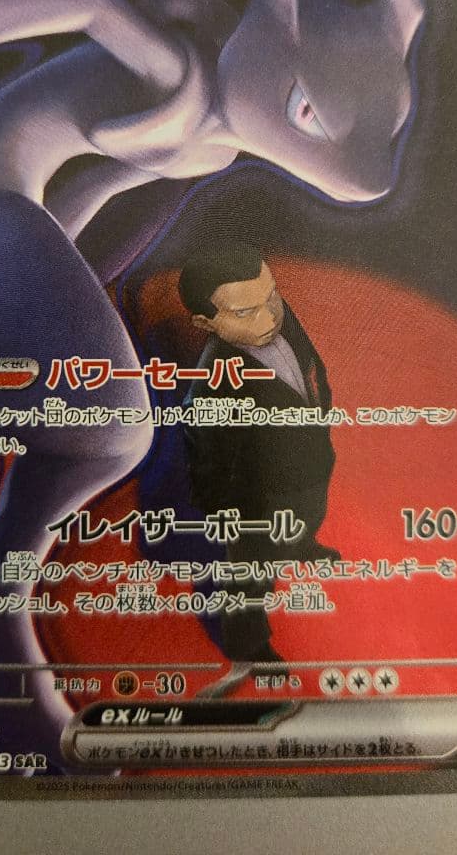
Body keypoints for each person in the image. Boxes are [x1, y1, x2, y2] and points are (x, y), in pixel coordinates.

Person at [179, 242, 340, 665]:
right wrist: (230, 514)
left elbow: (310, 366)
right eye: (245, 312)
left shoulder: (280, 319)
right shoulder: (211, 385)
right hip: (258, 500)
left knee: (310, 513)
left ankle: (302, 545)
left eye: (272, 297)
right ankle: (246, 644)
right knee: (250, 574)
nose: (269, 318)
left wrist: (320, 418)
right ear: (205, 322)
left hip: (309, 462)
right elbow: (206, 458)